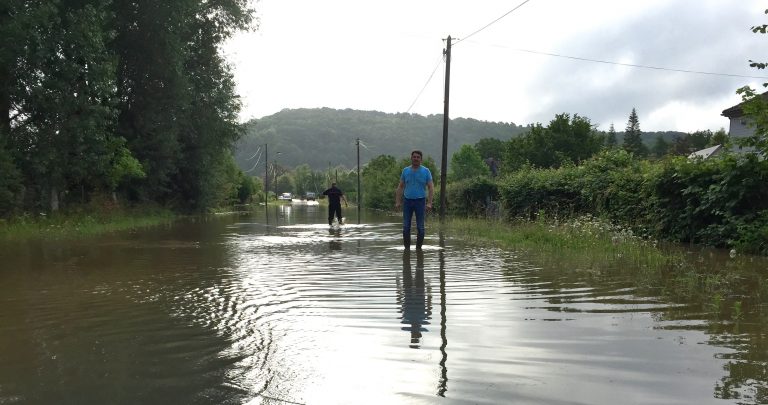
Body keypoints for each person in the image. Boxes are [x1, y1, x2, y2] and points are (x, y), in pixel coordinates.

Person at [395, 150, 434, 249]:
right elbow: (400, 186)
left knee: (420, 228)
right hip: (407, 201)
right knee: (405, 228)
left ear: (421, 159)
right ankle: (406, 250)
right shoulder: (405, 171)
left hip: (420, 201)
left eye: (418, 157)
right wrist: (398, 201)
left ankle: (418, 249)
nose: (416, 158)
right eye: (414, 157)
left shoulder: (426, 171)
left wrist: (429, 203)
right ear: (411, 158)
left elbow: (430, 187)